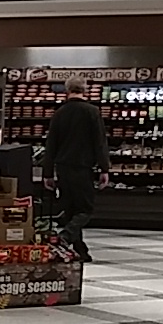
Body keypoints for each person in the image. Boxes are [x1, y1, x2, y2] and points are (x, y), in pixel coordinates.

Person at [44, 75, 110, 262]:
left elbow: (51, 145)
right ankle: (65, 236)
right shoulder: (92, 112)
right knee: (85, 210)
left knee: (71, 210)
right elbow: (99, 142)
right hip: (82, 168)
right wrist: (104, 168)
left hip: (62, 168)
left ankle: (81, 251)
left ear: (67, 90)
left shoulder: (59, 113)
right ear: (85, 90)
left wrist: (47, 173)